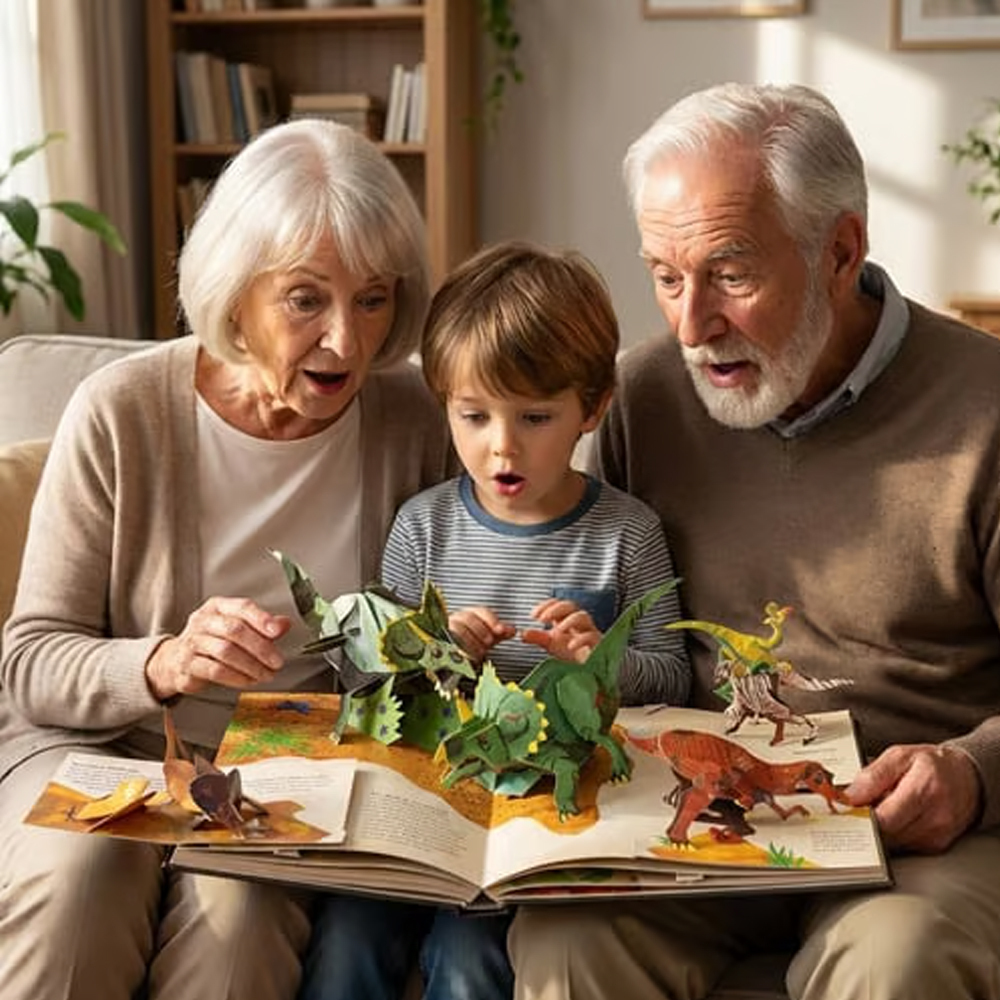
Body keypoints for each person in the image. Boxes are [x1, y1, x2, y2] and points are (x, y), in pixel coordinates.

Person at [508, 82, 1000, 1000]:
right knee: (566, 938)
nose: (692, 327)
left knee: (893, 963)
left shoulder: (987, 410)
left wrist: (971, 774)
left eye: (731, 275)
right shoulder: (642, 398)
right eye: (664, 276)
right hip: (694, 802)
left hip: (922, 840)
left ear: (841, 252)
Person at [0, 118, 457, 1000]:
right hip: (103, 749)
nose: (346, 342)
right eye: (305, 299)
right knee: (76, 891)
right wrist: (165, 660)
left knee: (241, 928)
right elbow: (30, 662)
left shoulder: (418, 424)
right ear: (236, 291)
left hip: (289, 774)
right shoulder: (123, 412)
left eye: (372, 299)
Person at [301, 240, 690, 1000]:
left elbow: (674, 679)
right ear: (443, 401)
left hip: (542, 826)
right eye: (473, 415)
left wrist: (597, 661)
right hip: (423, 810)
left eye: (535, 417)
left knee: (474, 958)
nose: (501, 445)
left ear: (593, 407)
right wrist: (436, 652)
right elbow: (369, 677)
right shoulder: (422, 528)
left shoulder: (628, 534)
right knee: (346, 938)